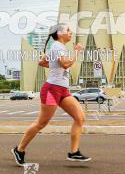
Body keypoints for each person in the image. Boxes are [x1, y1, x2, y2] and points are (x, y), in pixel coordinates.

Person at [12, 23, 91, 166]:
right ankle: (19, 149)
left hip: (63, 90)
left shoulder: (57, 47)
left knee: (80, 117)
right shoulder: (57, 46)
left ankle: (74, 152)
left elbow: (42, 62)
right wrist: (77, 51)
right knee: (41, 123)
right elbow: (66, 64)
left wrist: (53, 65)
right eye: (68, 30)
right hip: (51, 90)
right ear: (60, 33)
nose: (70, 32)